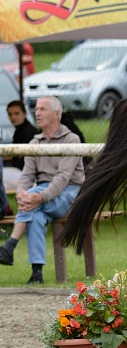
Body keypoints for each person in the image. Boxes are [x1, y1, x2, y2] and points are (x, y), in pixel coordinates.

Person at [0, 96, 84, 284]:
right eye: (36, 109)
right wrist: (23, 193)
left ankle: (10, 245)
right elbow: (26, 176)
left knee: (32, 202)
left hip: (70, 193)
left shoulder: (72, 139)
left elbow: (63, 179)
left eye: (43, 109)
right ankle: (36, 274)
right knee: (35, 216)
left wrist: (39, 197)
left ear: (57, 114)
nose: (37, 113)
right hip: (41, 194)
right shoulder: (34, 143)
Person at [3, 100, 39, 202]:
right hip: (21, 172)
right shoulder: (20, 130)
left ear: (25, 113)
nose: (13, 117)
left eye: (16, 113)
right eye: (10, 114)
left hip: (29, 176)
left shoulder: (28, 132)